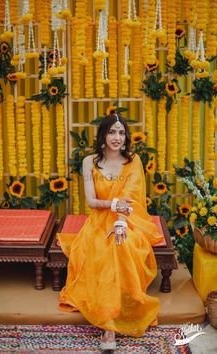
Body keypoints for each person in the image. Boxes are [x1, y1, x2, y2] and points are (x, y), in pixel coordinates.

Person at [59, 113, 163, 351]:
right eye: (112, 132)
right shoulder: (89, 162)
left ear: (126, 137)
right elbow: (91, 202)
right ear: (103, 135)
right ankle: (109, 325)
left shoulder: (132, 161)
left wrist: (120, 221)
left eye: (121, 132)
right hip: (99, 219)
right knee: (102, 249)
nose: (117, 137)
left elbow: (131, 198)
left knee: (122, 244)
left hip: (129, 218)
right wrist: (112, 205)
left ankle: (116, 318)